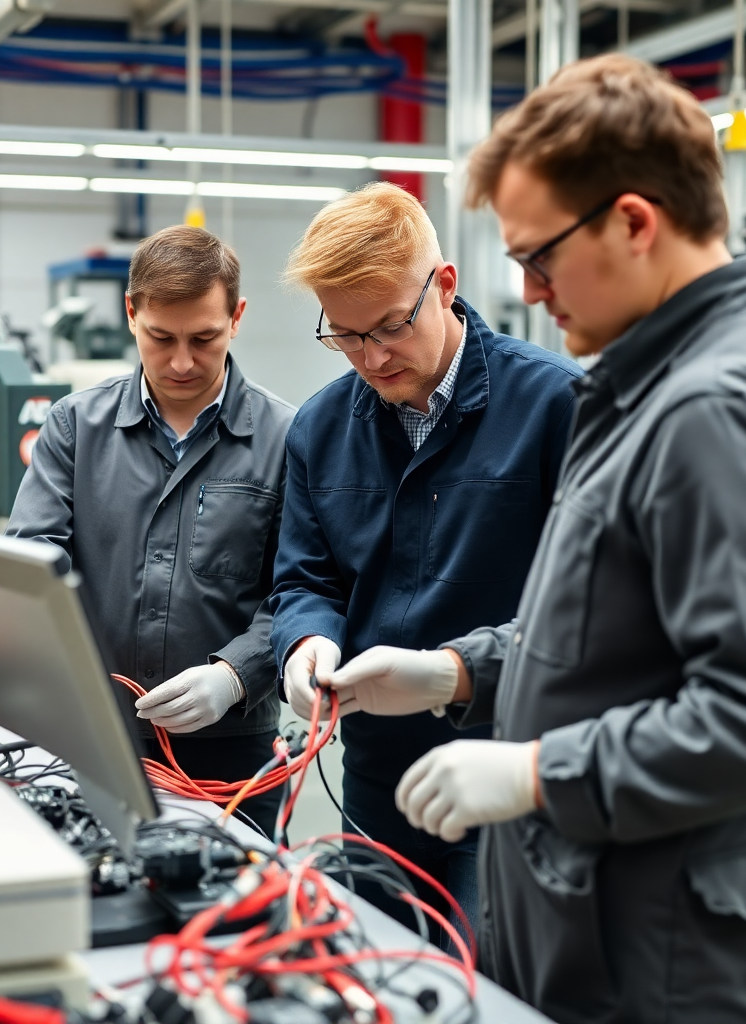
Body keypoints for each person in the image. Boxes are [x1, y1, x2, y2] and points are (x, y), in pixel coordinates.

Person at [326, 54, 746, 1024]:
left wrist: (534, 771)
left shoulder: (718, 406)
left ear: (634, 223)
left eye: (540, 258)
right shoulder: (646, 380)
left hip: (667, 961)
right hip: (604, 918)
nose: (526, 290)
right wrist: (454, 674)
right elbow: (607, 620)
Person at [269, 181, 582, 945]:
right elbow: (306, 577)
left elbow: (587, 609)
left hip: (508, 774)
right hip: (379, 780)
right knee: (374, 967)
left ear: (444, 285)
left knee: (482, 980)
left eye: (390, 326)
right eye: (346, 335)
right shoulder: (320, 428)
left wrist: (455, 675)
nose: (372, 357)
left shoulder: (556, 406)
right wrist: (305, 645)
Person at [8, 225, 295, 838]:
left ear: (237, 318)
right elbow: (32, 562)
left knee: (240, 893)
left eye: (204, 338)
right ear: (131, 313)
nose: (182, 361)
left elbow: (301, 590)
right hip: (93, 735)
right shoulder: (74, 428)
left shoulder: (287, 440)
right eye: (161, 338)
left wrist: (236, 674)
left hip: (232, 750)